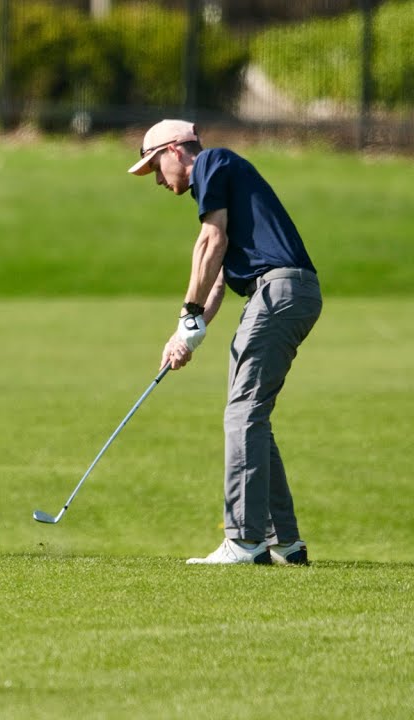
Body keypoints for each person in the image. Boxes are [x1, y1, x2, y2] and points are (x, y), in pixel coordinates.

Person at [128, 120, 322, 566]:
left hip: (278, 291)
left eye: (155, 166)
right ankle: (283, 542)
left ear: (175, 151)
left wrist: (188, 314)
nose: (158, 179)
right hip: (283, 292)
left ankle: (244, 540)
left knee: (243, 413)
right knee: (251, 413)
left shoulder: (213, 162)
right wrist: (185, 338)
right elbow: (215, 275)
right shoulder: (222, 187)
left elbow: (209, 241)